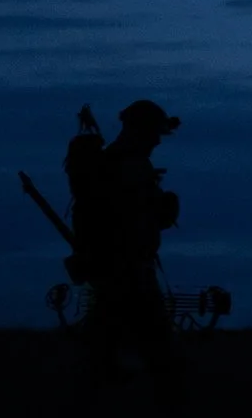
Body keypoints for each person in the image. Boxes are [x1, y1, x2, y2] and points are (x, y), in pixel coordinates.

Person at [70, 98, 184, 394]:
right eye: (156, 133)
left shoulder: (116, 163)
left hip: (118, 270)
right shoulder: (131, 166)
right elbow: (134, 220)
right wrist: (163, 210)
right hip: (129, 271)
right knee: (159, 351)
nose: (158, 140)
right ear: (142, 130)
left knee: (106, 345)